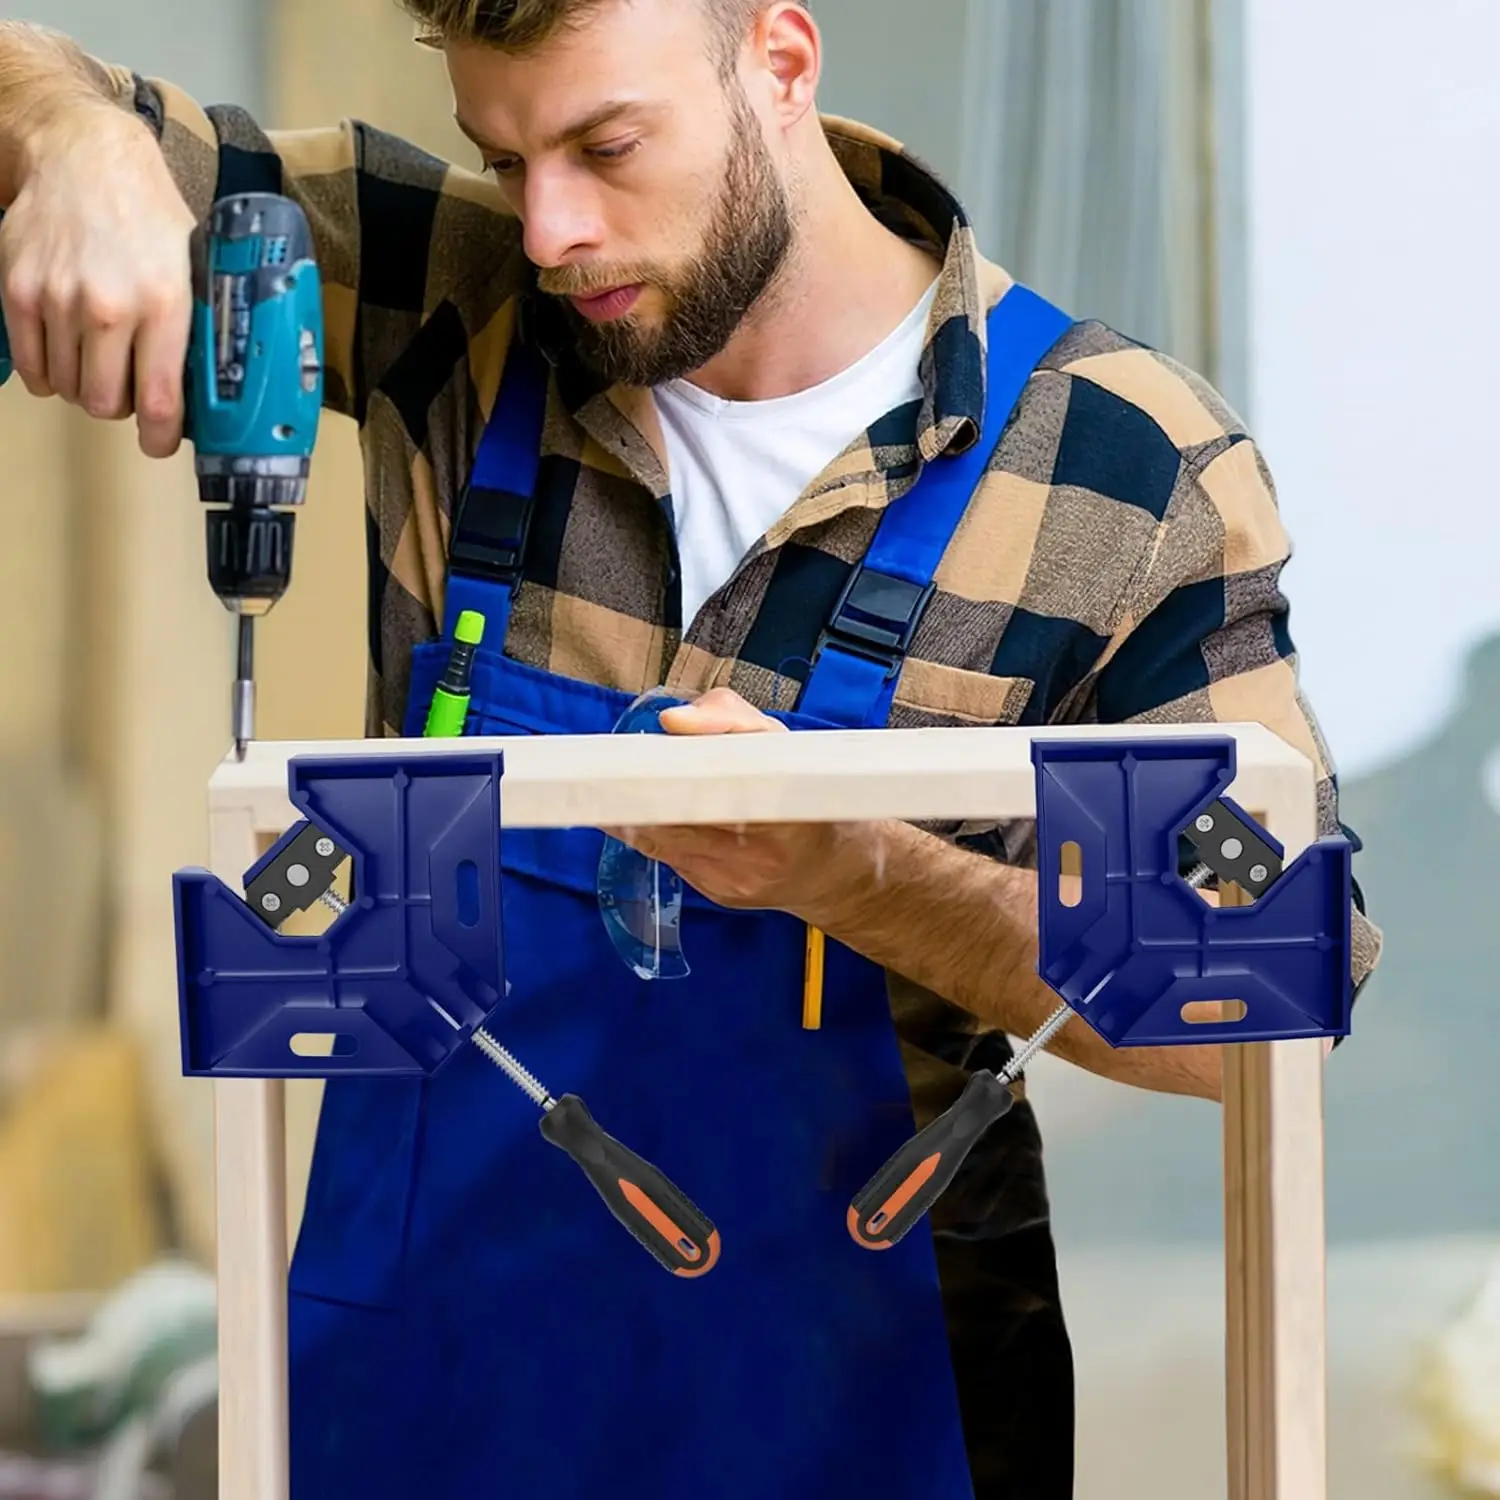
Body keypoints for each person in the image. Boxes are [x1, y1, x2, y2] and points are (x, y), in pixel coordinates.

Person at [0, 2, 1382, 1496]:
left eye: (606, 146)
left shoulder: (1118, 472)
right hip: (426, 1378)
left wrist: (857, 873)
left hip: (873, 1412)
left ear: (781, 63)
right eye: (505, 154)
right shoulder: (449, 294)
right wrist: (72, 138)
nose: (548, 230)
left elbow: (1267, 1010)